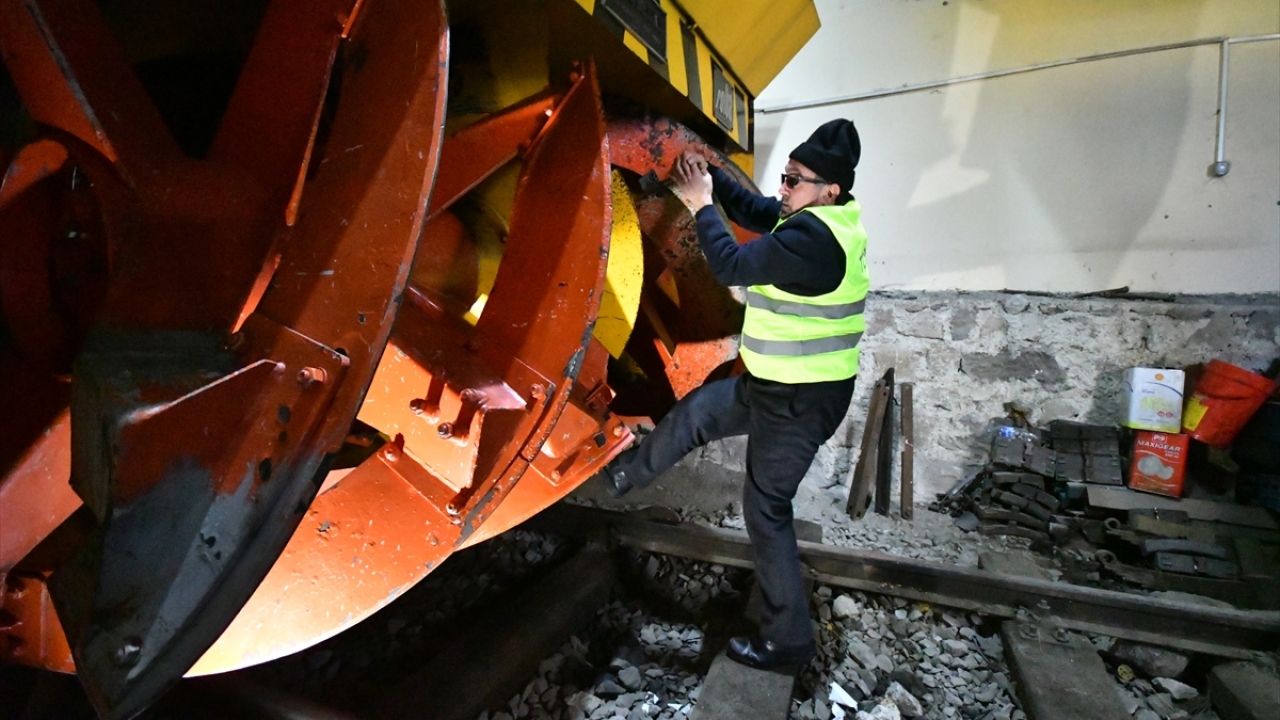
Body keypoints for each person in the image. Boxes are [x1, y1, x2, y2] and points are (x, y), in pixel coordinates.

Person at [600, 119, 869, 670]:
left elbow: (729, 264)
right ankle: (621, 477)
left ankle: (788, 642)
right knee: (698, 412)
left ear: (830, 189)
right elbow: (751, 208)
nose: (782, 189)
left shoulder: (815, 242)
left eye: (793, 180)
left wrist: (699, 204)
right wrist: (707, 174)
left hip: (801, 402)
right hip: (775, 384)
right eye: (785, 176)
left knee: (766, 510)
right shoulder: (815, 216)